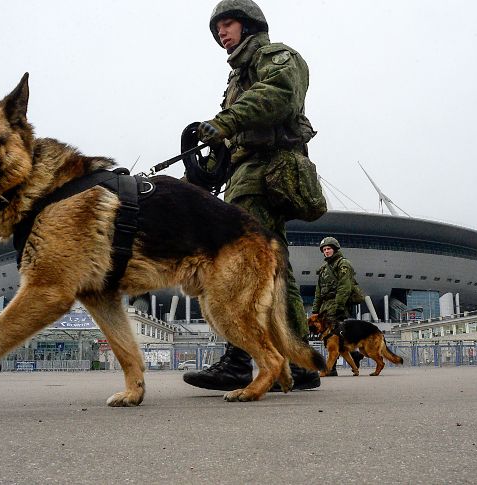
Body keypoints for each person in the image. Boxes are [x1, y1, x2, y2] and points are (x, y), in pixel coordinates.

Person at [183, 0, 322, 392]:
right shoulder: (237, 77)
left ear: (249, 25)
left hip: (267, 170)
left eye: (228, 24)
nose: (222, 33)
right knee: (275, 267)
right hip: (247, 171)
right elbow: (229, 141)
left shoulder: (276, 57)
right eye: (218, 29)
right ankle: (299, 361)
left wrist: (223, 123)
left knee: (243, 262)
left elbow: (280, 94)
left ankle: (241, 360)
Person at [312, 236, 364, 376]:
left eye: (329, 249)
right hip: (325, 306)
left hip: (337, 304)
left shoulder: (343, 264)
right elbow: (318, 290)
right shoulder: (323, 269)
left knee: (332, 337)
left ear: (335, 249)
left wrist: (339, 307)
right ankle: (355, 356)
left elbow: (344, 287)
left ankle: (332, 368)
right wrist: (315, 310)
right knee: (329, 336)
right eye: (324, 249)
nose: (326, 251)